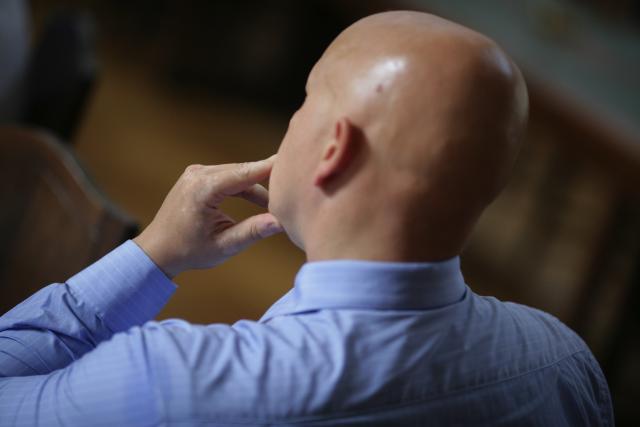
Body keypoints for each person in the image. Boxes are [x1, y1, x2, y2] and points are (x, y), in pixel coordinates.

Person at [0, 11, 613, 426]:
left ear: (332, 149)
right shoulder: (566, 366)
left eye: (304, 101)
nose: (293, 119)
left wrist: (154, 254)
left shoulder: (166, 383)